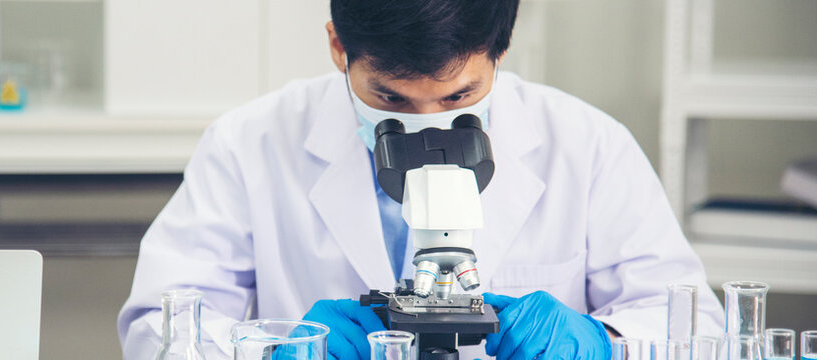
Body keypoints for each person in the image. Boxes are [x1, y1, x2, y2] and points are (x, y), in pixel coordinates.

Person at [118, 1, 725, 359]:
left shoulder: (588, 145)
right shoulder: (249, 143)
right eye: (390, 98)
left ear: (500, 49)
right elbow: (159, 330)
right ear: (338, 46)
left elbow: (699, 332)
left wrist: (603, 344)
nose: (425, 125)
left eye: (461, 96)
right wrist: (276, 350)